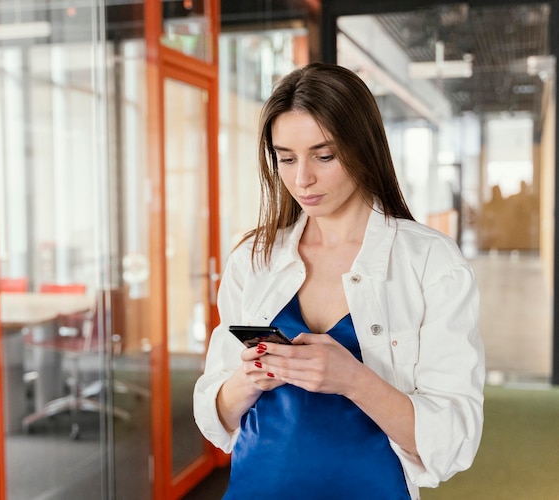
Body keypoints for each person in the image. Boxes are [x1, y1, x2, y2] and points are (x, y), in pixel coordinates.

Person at [193, 62, 485, 500]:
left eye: (323, 155)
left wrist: (354, 380)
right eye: (286, 158)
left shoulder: (430, 263)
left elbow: (453, 440)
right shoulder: (253, 260)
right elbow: (216, 414)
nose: (301, 178)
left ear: (363, 147)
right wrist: (248, 379)